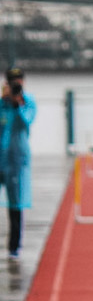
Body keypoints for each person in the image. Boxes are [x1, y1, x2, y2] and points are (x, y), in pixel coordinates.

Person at [0, 67, 36, 263]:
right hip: (0, 157)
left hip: (16, 160)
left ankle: (14, 247)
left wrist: (17, 105)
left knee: (16, 204)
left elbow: (26, 122)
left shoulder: (28, 102)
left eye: (19, 81)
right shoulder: (1, 103)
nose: (16, 84)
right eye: (12, 81)